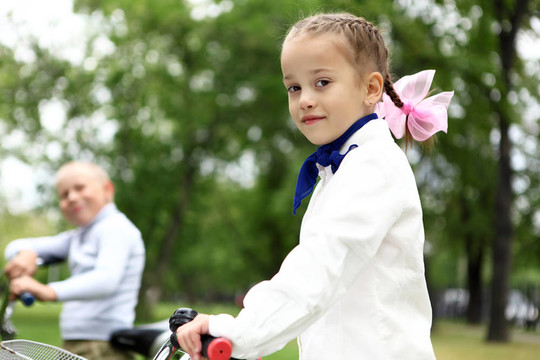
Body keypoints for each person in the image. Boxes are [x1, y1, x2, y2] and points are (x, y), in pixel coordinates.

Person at [176, 12, 453, 360]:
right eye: (294, 87)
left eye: (322, 82)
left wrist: (239, 333)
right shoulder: (342, 167)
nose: (304, 99)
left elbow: (321, 266)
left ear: (370, 89)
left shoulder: (374, 166)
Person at [4, 161, 145, 360]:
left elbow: (106, 279)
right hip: (79, 341)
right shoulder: (79, 236)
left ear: (107, 190)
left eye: (80, 188)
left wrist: (48, 291)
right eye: (64, 194)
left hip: (103, 344)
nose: (71, 197)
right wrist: (28, 253)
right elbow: (14, 247)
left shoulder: (115, 228)